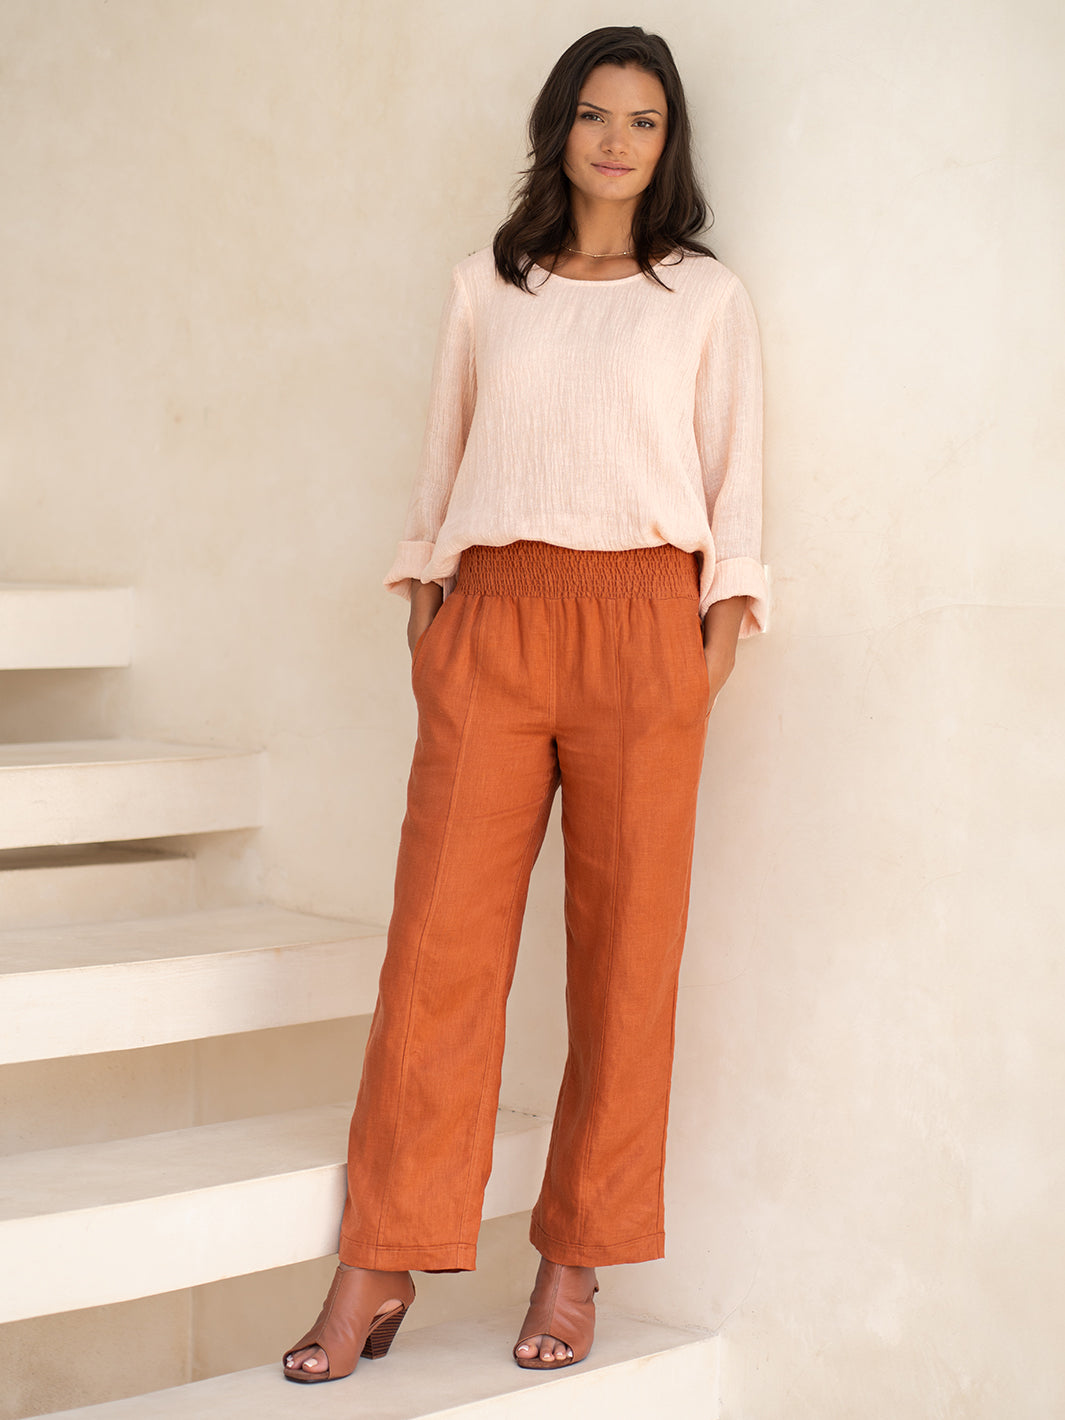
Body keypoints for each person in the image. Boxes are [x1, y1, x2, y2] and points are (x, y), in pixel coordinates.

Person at [283, 23, 768, 1385]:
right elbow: (438, 470)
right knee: (438, 955)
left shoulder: (704, 301)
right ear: (559, 127)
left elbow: (736, 487)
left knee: (625, 967)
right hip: (489, 620)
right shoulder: (484, 290)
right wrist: (432, 615)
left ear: (667, 147)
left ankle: (576, 1256)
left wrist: (713, 641)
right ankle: (378, 1256)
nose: (617, 140)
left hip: (642, 630)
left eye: (645, 121)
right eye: (596, 114)